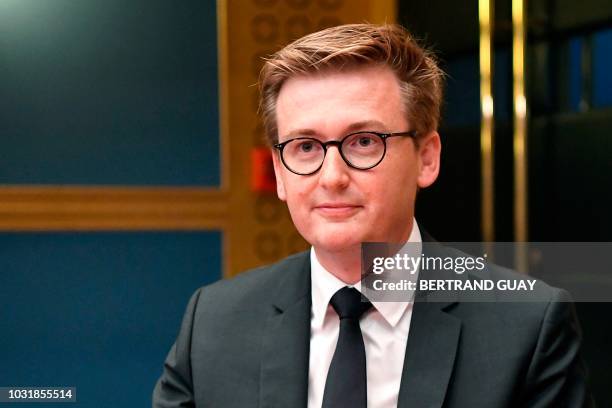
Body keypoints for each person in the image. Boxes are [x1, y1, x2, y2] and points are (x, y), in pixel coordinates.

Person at [153, 23, 592, 407]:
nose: (332, 176)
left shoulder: (526, 326)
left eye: (363, 141)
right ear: (280, 173)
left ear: (427, 158)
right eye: (305, 147)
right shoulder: (213, 323)